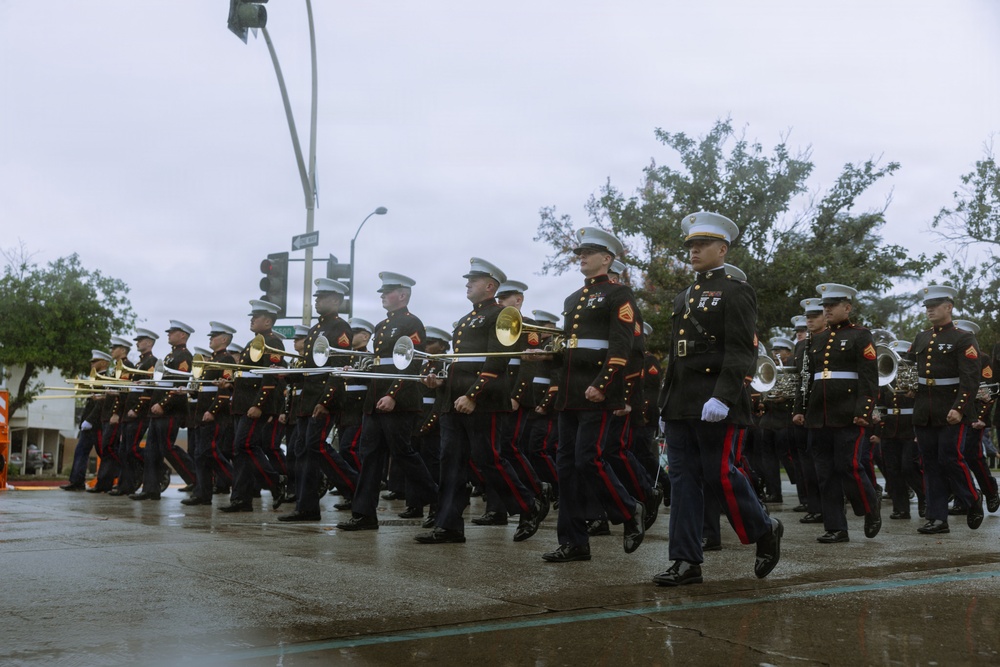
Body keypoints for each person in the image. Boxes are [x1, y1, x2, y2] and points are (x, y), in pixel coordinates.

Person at [653, 212, 781, 586]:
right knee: (682, 481)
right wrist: (665, 403)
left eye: (702, 245)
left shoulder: (736, 290)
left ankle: (764, 528)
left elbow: (742, 350)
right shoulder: (684, 296)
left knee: (719, 474)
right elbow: (677, 357)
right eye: (691, 245)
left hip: (714, 400)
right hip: (680, 402)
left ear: (722, 249)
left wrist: (724, 396)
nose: (693, 251)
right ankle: (685, 560)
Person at [415, 258, 548, 544]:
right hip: (455, 399)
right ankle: (448, 525)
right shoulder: (466, 319)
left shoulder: (502, 315)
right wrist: (440, 383)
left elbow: (495, 362)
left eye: (472, 281)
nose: (467, 284)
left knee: (489, 460)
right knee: (451, 462)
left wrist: (473, 395)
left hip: (482, 401)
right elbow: (462, 364)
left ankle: (528, 505)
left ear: (489, 286)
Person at [541, 228, 648, 563]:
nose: (582, 258)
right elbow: (571, 349)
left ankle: (630, 510)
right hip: (571, 394)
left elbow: (622, 345)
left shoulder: (620, 294)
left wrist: (603, 383)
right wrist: (547, 358)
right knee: (567, 468)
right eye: (580, 253)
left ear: (607, 258)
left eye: (588, 253)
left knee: (589, 459)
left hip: (597, 392)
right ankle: (573, 541)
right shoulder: (573, 299)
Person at [338, 272, 439, 531]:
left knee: (403, 453)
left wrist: (392, 394)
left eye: (388, 291)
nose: (382, 295)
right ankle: (363, 514)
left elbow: (412, 362)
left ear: (403, 295)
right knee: (370, 456)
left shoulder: (411, 322)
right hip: (375, 400)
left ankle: (438, 502)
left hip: (399, 401)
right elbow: (378, 365)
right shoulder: (382, 326)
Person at [792, 284, 881, 543]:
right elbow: (806, 379)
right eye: (825, 306)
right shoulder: (815, 339)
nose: (827, 309)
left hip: (848, 413)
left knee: (849, 466)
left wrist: (864, 410)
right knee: (825, 473)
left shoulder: (861, 336)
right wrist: (800, 409)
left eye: (832, 305)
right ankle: (835, 527)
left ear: (847, 307)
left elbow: (868, 379)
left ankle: (870, 505)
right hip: (819, 415)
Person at [278, 281, 358, 521]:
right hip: (307, 399)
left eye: (322, 297)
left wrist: (325, 401)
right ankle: (307, 507)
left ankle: (356, 487)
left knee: (317, 446)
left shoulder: (340, 328)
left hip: (323, 397)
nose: (316, 301)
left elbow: (337, 368)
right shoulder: (316, 329)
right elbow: (309, 367)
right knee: (304, 452)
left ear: (336, 300)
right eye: (317, 297)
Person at [908, 286, 984, 534]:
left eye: (935, 305)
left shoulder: (963, 338)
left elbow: (970, 378)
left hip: (951, 410)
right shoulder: (921, 337)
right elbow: (910, 370)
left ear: (948, 307)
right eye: (927, 306)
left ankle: (972, 498)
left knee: (950, 459)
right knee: (930, 464)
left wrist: (960, 408)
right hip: (925, 410)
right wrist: (907, 388)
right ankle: (937, 518)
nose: (929, 309)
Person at [220, 301, 289, 513]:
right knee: (239, 451)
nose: (251, 320)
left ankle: (276, 481)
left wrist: (259, 405)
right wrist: (231, 383)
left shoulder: (273, 342)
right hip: (243, 403)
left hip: (255, 404)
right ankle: (241, 499)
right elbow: (248, 374)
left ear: (267, 321)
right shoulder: (253, 342)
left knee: (246, 445)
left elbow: (271, 376)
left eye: (256, 317)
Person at [132, 320, 198, 500]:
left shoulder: (184, 356)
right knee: (152, 450)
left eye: (173, 332)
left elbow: (179, 385)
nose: (168, 334)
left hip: (170, 410)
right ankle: (150, 489)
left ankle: (196, 478)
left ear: (182, 335)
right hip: (158, 409)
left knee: (168, 447)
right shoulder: (170, 356)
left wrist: (163, 404)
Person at [181, 321, 237, 507]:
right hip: (202, 414)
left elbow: (225, 388)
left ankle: (234, 480)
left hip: (214, 415)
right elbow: (204, 389)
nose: (211, 339)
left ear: (224, 339)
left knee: (209, 452)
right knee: (200, 455)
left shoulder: (227, 360)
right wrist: (188, 391)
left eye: (214, 336)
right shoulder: (211, 361)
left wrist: (212, 411)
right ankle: (202, 493)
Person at [109, 328, 160, 496]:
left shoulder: (151, 362)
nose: (137, 343)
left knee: (131, 449)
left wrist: (136, 410)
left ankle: (154, 469)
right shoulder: (139, 364)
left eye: (141, 340)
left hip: (139, 413)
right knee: (124, 450)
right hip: (129, 412)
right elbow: (131, 390)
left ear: (150, 343)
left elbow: (148, 391)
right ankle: (126, 485)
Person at [62, 350, 114, 490]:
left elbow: (100, 403)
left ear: (104, 363)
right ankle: (77, 481)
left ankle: (112, 479)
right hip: (90, 423)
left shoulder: (105, 380)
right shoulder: (95, 379)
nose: (92, 364)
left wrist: (90, 420)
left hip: (97, 424)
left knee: (104, 453)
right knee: (81, 451)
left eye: (95, 361)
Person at [88, 337, 133, 493]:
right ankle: (104, 483)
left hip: (115, 415)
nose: (112, 351)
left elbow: (124, 395)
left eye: (114, 348)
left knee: (110, 448)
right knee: (107, 449)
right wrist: (103, 397)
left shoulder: (127, 367)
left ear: (123, 350)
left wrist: (116, 414)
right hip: (108, 414)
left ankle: (126, 476)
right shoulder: (117, 368)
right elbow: (115, 393)